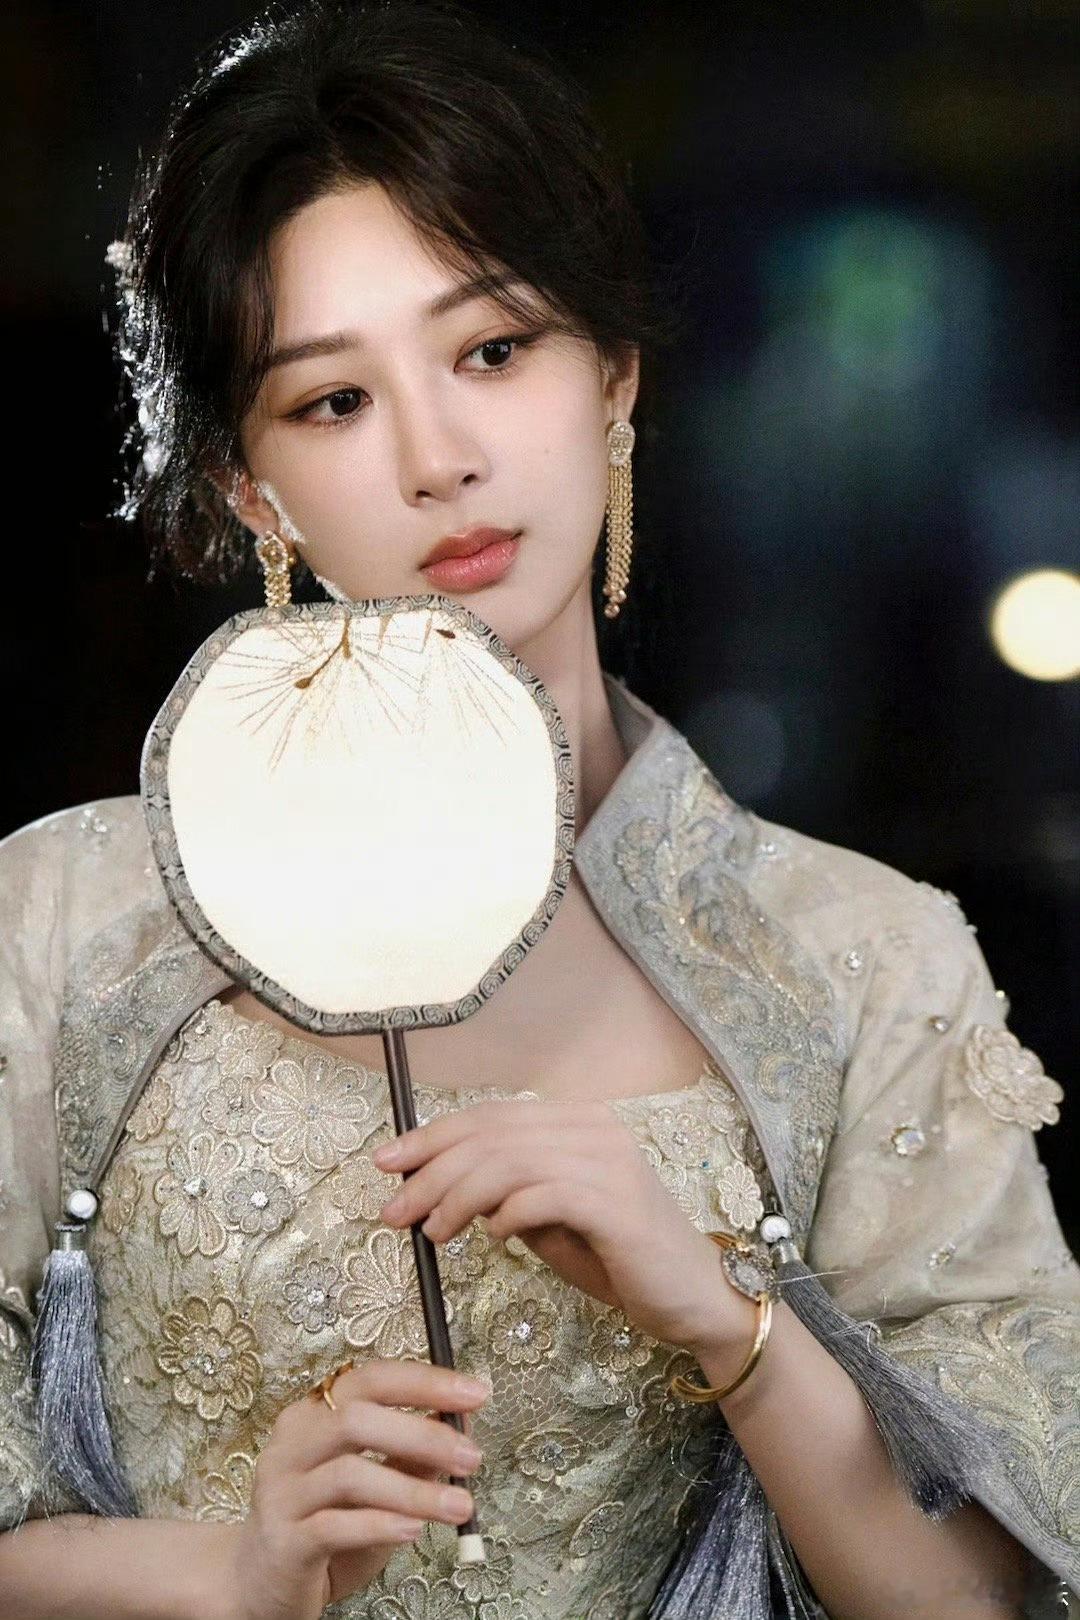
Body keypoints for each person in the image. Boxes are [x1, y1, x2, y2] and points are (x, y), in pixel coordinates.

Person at [1, 3, 1077, 1618]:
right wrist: (229, 1571)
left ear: (613, 379)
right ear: (247, 488)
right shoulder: (62, 918)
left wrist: (727, 1321)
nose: (439, 458)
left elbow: (983, 1597)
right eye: (334, 401)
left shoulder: (866, 960)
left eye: (494, 352)